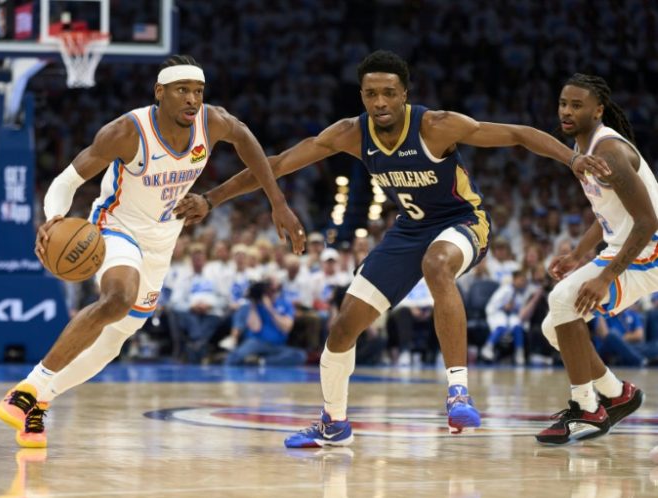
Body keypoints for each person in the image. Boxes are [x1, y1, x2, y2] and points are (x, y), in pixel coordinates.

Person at [174, 50, 609, 447]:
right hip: (409, 229)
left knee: (437, 265)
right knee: (344, 326)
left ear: (404, 94)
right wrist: (211, 199)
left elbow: (516, 134)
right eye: (370, 94)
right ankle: (333, 422)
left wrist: (572, 160)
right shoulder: (349, 133)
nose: (379, 102)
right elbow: (278, 164)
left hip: (463, 221)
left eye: (388, 93)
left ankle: (458, 391)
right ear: (361, 95)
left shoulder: (436, 126)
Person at [0, 54, 306, 448]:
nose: (192, 99)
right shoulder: (127, 131)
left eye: (198, 91)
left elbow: (249, 143)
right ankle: (27, 388)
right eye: (182, 91)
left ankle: (39, 401)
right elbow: (66, 180)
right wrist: (55, 217)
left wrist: (274, 202)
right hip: (115, 227)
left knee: (114, 341)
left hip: (163, 238)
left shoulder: (213, 122)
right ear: (160, 93)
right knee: (117, 299)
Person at [534, 74, 654, 445]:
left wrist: (605, 277)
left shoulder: (610, 153)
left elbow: (648, 222)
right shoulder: (584, 150)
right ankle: (618, 394)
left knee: (561, 300)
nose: (567, 111)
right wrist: (578, 255)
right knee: (553, 328)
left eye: (577, 105)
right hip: (623, 249)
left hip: (647, 254)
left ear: (598, 110)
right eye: (563, 103)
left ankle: (586, 408)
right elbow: (607, 213)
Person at [223, 277, 306, 366]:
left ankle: (260, 361)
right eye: (268, 289)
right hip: (256, 342)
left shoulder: (285, 304)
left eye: (273, 288)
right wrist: (253, 303)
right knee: (234, 358)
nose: (271, 292)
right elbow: (255, 328)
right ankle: (253, 360)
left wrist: (270, 309)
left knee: (299, 355)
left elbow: (286, 328)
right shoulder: (254, 304)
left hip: (277, 345)